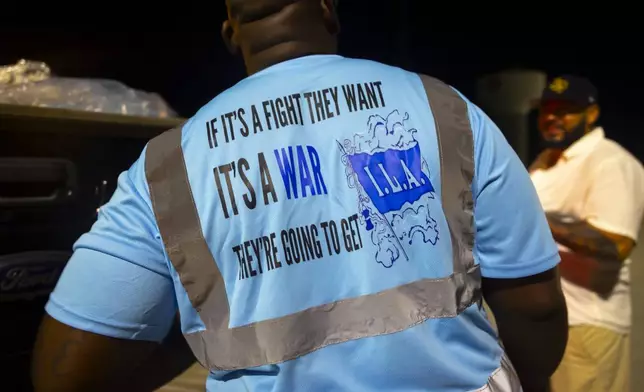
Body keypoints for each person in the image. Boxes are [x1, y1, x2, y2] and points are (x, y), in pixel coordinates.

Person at [31, 1, 568, 391]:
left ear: (230, 34)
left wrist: (204, 327)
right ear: (329, 9)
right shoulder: (443, 111)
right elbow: (537, 307)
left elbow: (65, 372)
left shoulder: (171, 165)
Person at [530, 75, 644, 392]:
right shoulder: (544, 162)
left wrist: (536, 219)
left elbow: (616, 243)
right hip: (545, 321)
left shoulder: (611, 162)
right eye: (547, 109)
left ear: (591, 115)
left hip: (587, 325)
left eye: (565, 110)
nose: (552, 117)